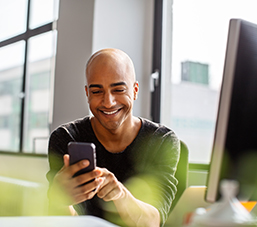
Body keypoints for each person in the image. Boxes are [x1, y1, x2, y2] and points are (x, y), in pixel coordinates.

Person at [46, 48, 180, 227]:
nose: (108, 102)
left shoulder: (161, 141)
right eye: (97, 91)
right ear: (87, 93)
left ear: (135, 90)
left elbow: (153, 222)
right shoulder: (66, 138)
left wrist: (120, 195)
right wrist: (60, 200)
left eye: (118, 89)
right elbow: (66, 222)